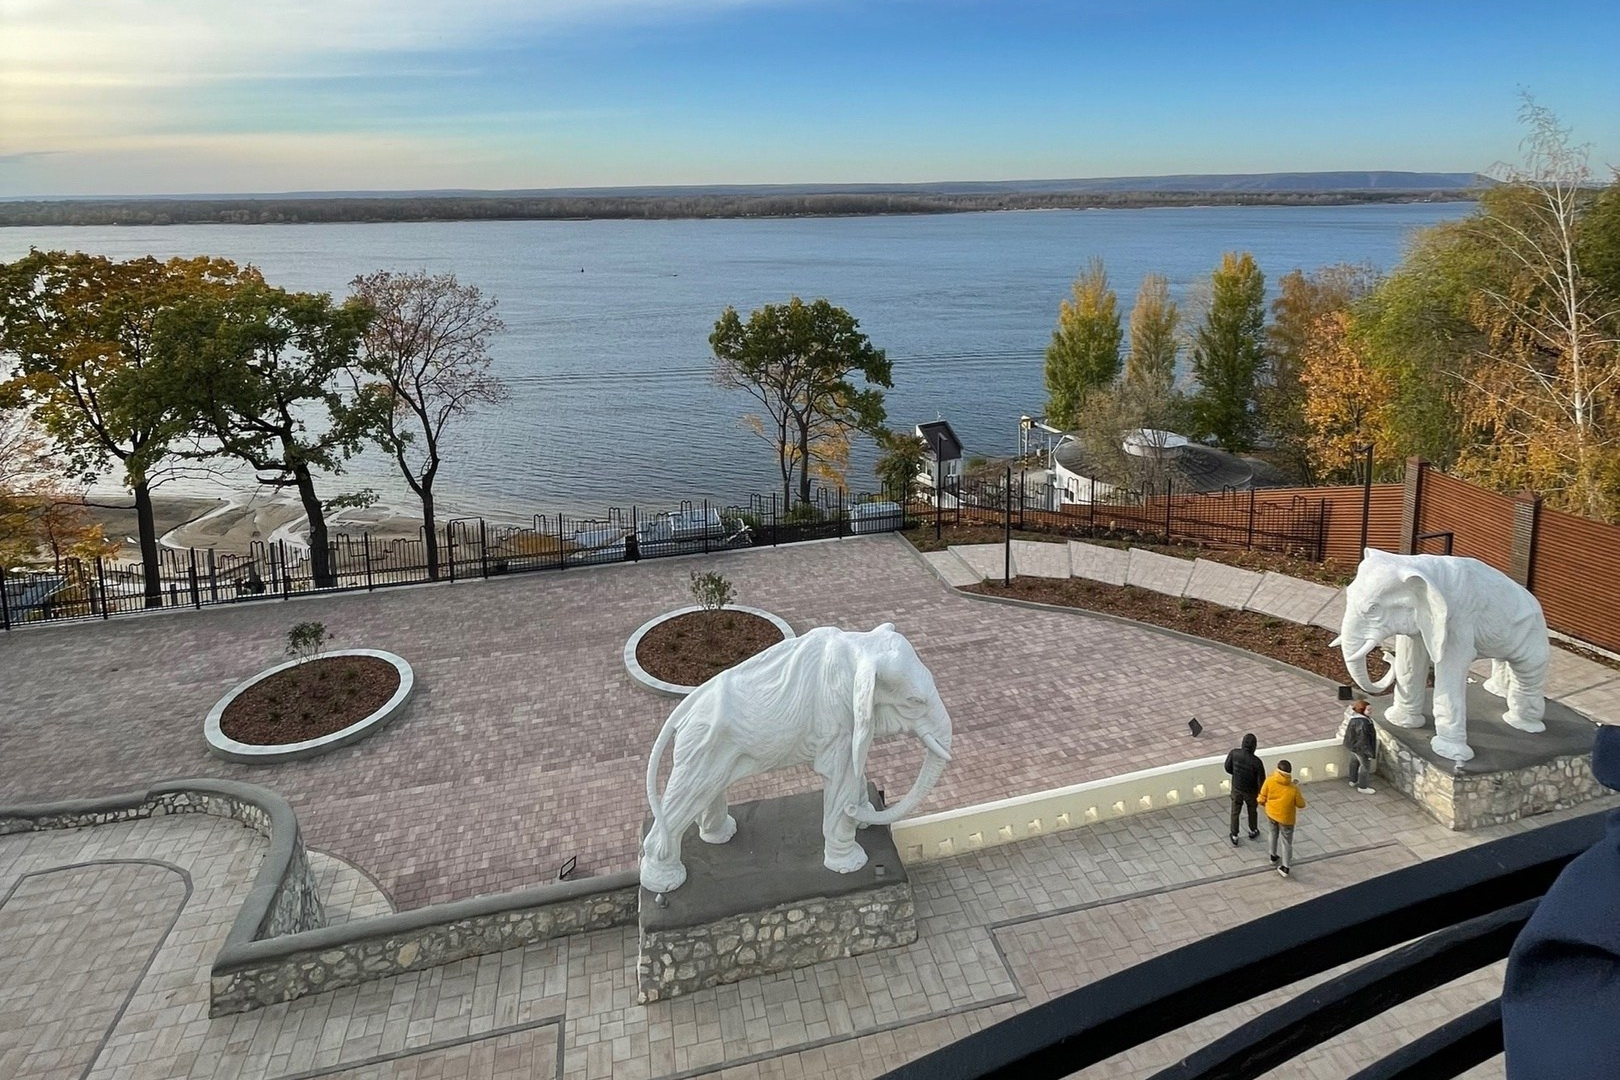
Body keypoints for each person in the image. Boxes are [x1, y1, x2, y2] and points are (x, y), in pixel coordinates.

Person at [1257, 759, 1307, 877]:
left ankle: (1273, 856)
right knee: (1286, 841)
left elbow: (1261, 798)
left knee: (1273, 833)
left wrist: (1264, 804)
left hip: (1271, 814)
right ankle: (1285, 867)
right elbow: (1301, 804)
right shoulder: (1293, 788)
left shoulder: (1270, 781)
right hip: (1286, 819)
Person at [1223, 733, 1266, 846]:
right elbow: (1262, 780)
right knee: (1252, 811)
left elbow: (1227, 767)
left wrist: (1236, 775)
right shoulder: (1257, 762)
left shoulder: (1234, 753)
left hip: (1237, 787)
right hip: (1251, 791)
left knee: (1235, 811)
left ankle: (1234, 834)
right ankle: (1253, 829)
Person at [1342, 699, 1377, 794]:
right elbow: (1364, 739)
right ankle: (1362, 786)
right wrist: (1368, 753)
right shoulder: (1364, 723)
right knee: (1365, 767)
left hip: (1353, 746)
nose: (1371, 712)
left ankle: (1353, 780)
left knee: (1354, 762)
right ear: (1362, 711)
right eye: (1368, 710)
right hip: (1361, 748)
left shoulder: (1354, 719)